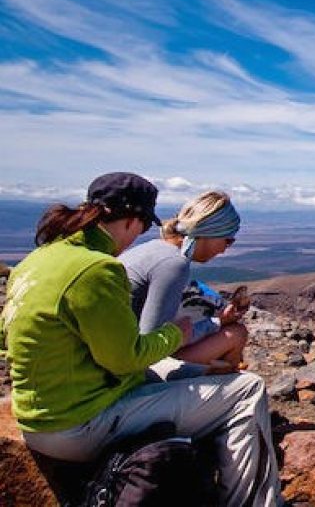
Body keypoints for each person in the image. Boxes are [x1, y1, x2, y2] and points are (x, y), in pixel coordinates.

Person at [0, 172, 281, 506]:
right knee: (246, 390)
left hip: (39, 416)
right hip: (80, 424)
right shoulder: (96, 269)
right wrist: (178, 332)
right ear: (132, 221)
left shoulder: (36, 261)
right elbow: (129, 356)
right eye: (142, 225)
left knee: (207, 377)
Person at [120, 190, 248, 374]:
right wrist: (213, 324)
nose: (224, 250)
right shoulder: (173, 263)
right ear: (210, 232)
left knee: (230, 333)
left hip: (118, 353)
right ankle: (223, 384)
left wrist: (218, 321)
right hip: (131, 368)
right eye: (227, 240)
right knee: (236, 336)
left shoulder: (153, 249)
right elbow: (151, 340)